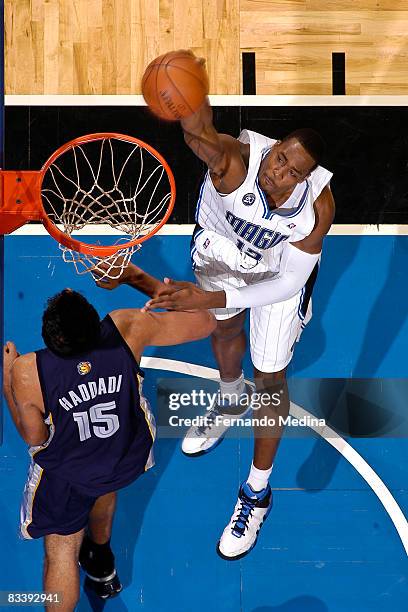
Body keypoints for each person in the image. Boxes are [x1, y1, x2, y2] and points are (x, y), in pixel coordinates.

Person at [144, 51, 335, 560]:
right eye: (278, 159)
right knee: (224, 331)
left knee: (270, 378)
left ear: (306, 178)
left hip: (276, 276)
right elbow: (199, 132)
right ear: (271, 151)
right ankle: (229, 398)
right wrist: (189, 92)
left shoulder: (318, 208)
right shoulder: (234, 161)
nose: (278, 173)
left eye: (293, 171)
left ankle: (257, 492)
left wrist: (209, 296)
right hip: (223, 252)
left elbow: (286, 283)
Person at [3, 262, 215, 612]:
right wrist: (135, 277)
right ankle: (101, 565)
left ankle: (86, 564)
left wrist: (8, 379)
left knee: (60, 552)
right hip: (126, 451)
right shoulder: (125, 327)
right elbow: (205, 321)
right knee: (103, 482)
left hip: (73, 473)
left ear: (51, 339)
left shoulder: (29, 371)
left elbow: (34, 437)